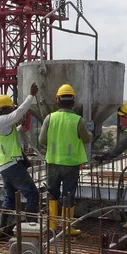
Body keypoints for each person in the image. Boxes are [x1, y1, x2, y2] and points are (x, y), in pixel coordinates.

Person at [38, 84, 93, 236]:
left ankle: (52, 226)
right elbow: (87, 139)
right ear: (74, 102)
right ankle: (68, 228)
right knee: (68, 195)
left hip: (53, 163)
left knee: (52, 193)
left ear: (57, 100)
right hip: (71, 164)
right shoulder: (78, 120)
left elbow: (42, 140)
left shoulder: (50, 118)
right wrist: (91, 131)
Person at [0, 83, 40, 236]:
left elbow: (14, 134)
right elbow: (18, 112)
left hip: (6, 166)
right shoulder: (1, 121)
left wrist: (23, 158)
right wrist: (31, 95)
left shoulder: (3, 124)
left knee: (10, 198)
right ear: (3, 109)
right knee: (32, 194)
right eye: (10, 107)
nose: (13, 109)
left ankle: (1, 229)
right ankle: (29, 229)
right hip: (12, 166)